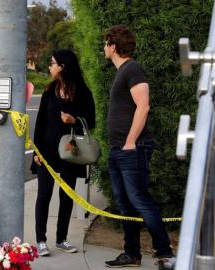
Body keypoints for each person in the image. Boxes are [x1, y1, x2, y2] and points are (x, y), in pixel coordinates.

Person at [102, 25, 176, 269]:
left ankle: (165, 253)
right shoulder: (122, 71)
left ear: (113, 46)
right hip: (118, 150)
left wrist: (131, 142)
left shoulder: (132, 69)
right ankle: (131, 254)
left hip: (132, 149)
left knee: (139, 199)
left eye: (106, 43)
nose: (104, 48)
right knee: (125, 204)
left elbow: (143, 106)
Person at [31, 49, 95, 256]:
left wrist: (74, 120)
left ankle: (62, 239)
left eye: (53, 63)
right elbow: (40, 124)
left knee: (66, 195)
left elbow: (91, 122)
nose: (50, 67)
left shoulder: (82, 92)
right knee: (44, 195)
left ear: (63, 67)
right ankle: (41, 240)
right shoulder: (49, 92)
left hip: (71, 150)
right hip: (47, 151)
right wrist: (36, 152)